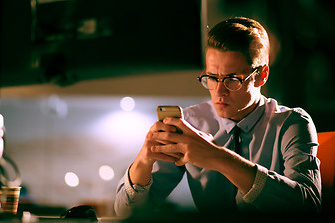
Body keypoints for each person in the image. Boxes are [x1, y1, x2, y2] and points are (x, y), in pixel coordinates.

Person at [114, 17, 321, 216]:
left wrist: (217, 157)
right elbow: (124, 212)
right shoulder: (189, 124)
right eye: (212, 78)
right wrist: (144, 159)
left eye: (232, 79)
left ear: (261, 76)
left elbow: (309, 205)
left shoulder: (292, 123)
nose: (219, 92)